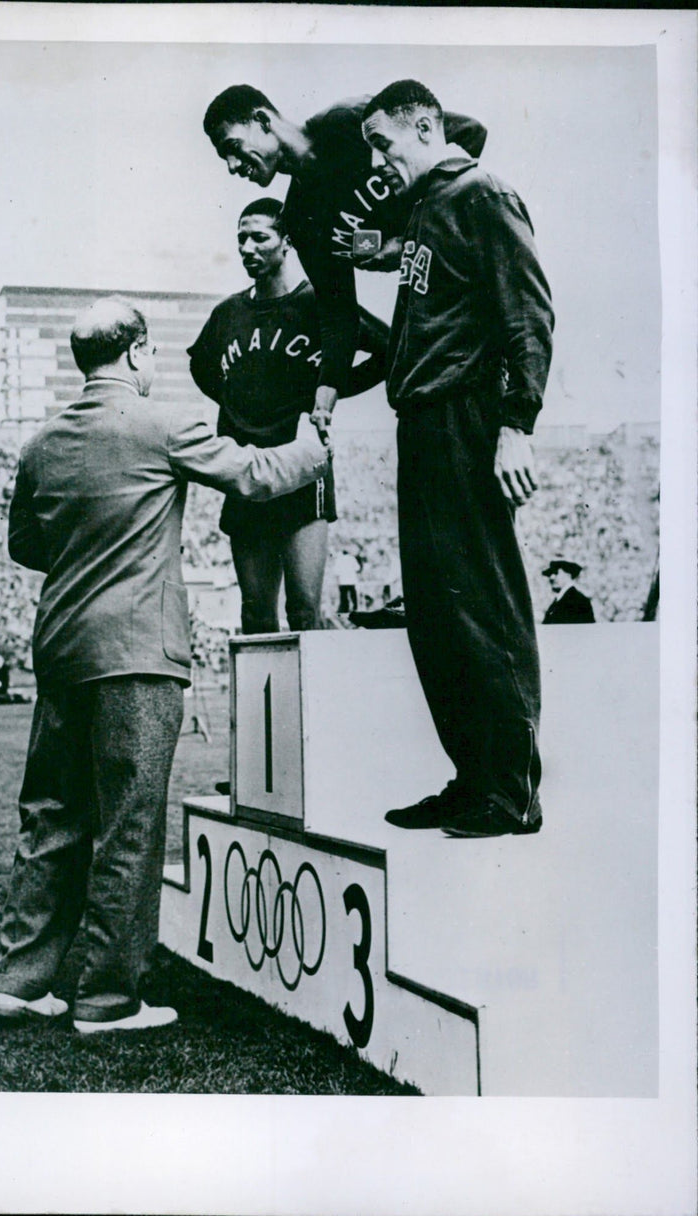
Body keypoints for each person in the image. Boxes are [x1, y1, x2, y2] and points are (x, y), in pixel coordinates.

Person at [0, 298, 330, 1032]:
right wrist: (313, 445)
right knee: (129, 822)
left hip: (62, 646)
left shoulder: (43, 441)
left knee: (50, 814)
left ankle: (18, 978)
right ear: (139, 352)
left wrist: (88, 545)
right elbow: (258, 477)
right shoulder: (164, 422)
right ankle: (107, 997)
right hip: (138, 650)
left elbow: (24, 545)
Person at [361, 80, 554, 837]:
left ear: (427, 124)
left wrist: (518, 423)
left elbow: (528, 313)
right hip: (421, 422)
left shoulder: (482, 191)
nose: (379, 159)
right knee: (437, 612)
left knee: (482, 599)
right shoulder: (423, 210)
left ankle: (512, 789)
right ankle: (472, 776)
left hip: (466, 417)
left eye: (387, 142)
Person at [202, 86, 486, 434]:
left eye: (232, 147)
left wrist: (416, 231)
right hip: (424, 321)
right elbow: (338, 313)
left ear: (262, 121)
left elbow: (470, 132)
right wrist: (323, 400)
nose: (232, 167)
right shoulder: (299, 218)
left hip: (466, 296)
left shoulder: (346, 123)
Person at [188, 197, 388, 633]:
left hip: (301, 470)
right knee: (255, 614)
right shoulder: (227, 314)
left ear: (287, 243)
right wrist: (238, 405)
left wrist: (328, 390)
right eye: (240, 237)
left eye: (259, 236)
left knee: (304, 611)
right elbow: (200, 368)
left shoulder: (320, 303)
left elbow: (389, 350)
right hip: (243, 472)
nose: (247, 247)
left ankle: (313, 703)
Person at [542, 559, 595, 624]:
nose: (551, 577)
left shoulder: (579, 601)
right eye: (549, 574)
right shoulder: (558, 601)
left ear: (568, 574)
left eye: (556, 573)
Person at [333, 548, 361, 614]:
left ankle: (345, 608)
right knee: (353, 594)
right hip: (351, 580)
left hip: (343, 581)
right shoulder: (352, 558)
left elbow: (336, 571)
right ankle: (355, 607)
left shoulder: (339, 559)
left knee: (343, 595)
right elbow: (358, 568)